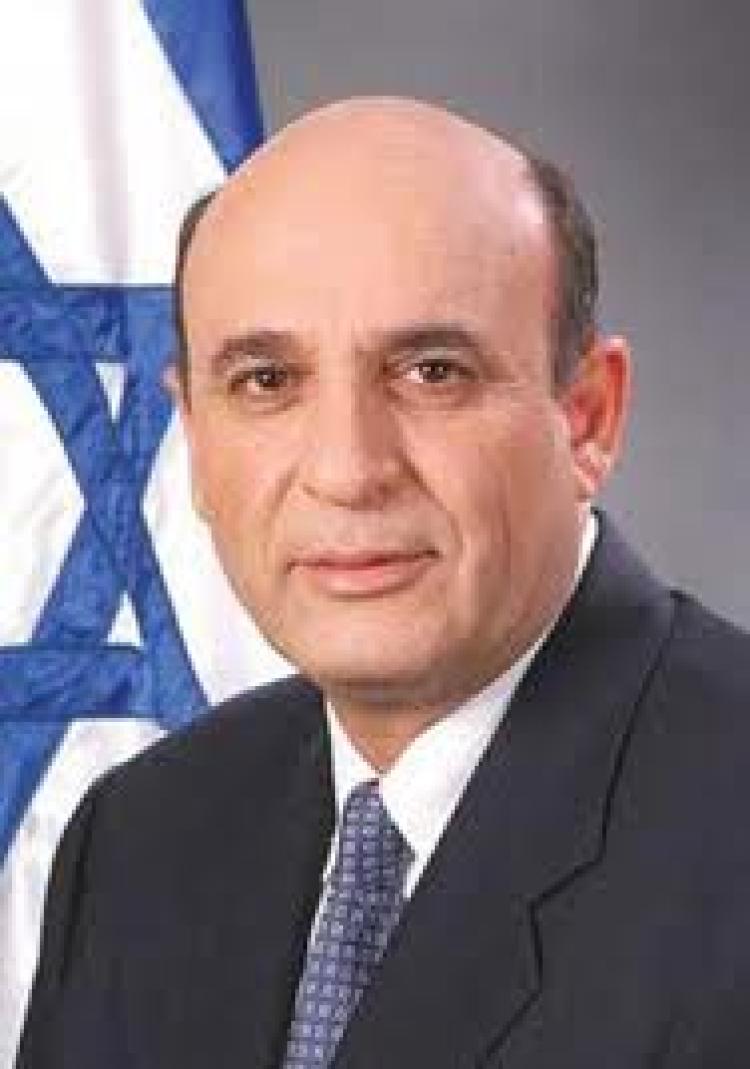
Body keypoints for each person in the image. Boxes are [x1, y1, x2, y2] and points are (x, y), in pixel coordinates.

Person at [15, 97, 750, 1068]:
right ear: (193, 436)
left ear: (587, 417)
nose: (348, 469)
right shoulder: (139, 839)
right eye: (267, 381)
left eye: (432, 371)